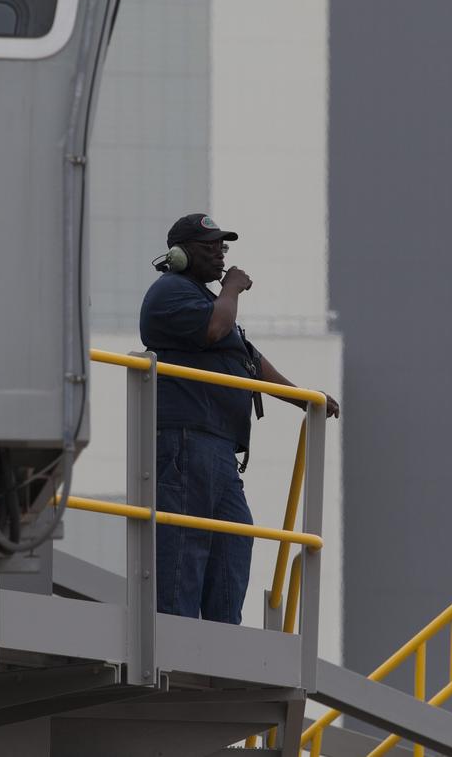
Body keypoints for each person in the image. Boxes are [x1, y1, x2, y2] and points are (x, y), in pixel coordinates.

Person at [139, 213, 339, 624]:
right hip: (186, 441)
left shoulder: (207, 301)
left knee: (235, 540)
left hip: (219, 448)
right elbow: (216, 331)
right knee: (187, 543)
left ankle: (222, 636)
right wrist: (231, 288)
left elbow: (247, 357)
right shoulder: (169, 293)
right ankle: (175, 638)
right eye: (210, 246)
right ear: (179, 254)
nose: (220, 254)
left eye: (223, 246)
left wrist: (301, 398)